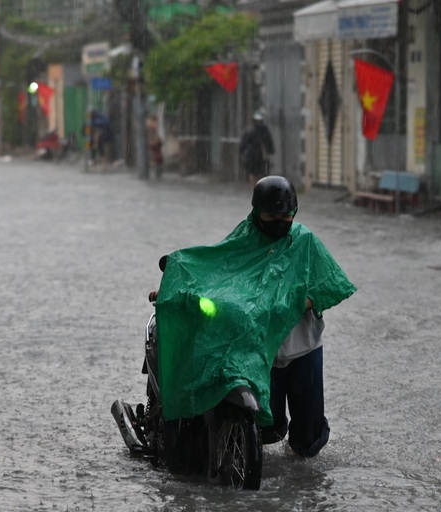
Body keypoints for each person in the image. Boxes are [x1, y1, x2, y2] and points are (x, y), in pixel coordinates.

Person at [151, 176, 355, 458]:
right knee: (269, 426)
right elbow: (214, 268)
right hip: (260, 350)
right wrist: (176, 286)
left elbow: (332, 283)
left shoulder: (305, 242)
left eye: (286, 216)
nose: (279, 222)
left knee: (307, 442)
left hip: (303, 347)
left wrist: (299, 302)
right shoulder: (244, 239)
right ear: (257, 212)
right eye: (271, 215)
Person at [239, 111, 275, 186]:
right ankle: (254, 188)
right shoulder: (251, 131)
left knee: (259, 174)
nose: (259, 123)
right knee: (253, 173)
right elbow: (244, 143)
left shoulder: (264, 130)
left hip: (260, 156)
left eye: (260, 121)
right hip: (252, 156)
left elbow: (269, 142)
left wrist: (270, 151)